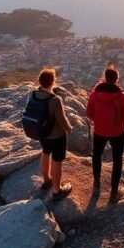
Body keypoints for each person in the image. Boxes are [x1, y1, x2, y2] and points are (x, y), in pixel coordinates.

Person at [86, 64, 124, 202]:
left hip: (99, 131)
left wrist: (100, 120)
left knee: (97, 155)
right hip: (118, 132)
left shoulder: (95, 94)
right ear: (116, 79)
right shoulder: (122, 96)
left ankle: (96, 185)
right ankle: (114, 191)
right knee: (117, 159)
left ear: (104, 78)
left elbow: (89, 113)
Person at [33, 68, 73, 200]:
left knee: (45, 152)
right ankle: (57, 191)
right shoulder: (55, 99)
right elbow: (61, 119)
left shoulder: (32, 94)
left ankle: (46, 180)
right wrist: (69, 128)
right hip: (56, 135)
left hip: (42, 133)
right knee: (57, 160)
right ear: (53, 81)